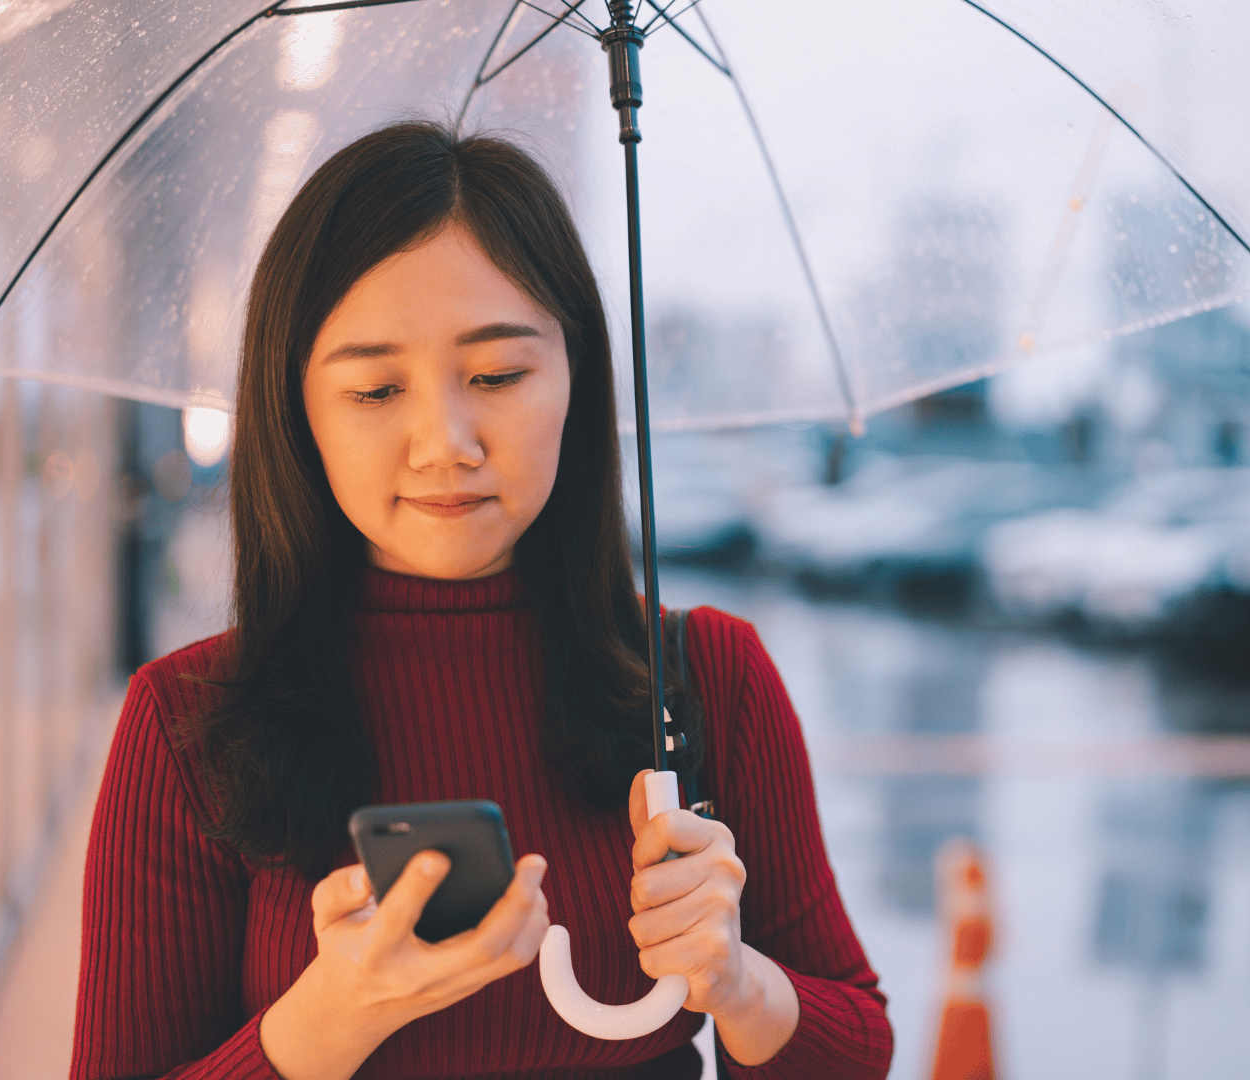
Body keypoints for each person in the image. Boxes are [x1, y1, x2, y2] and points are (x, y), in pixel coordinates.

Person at [71, 121, 892, 1080]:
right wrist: (325, 1022)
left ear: (576, 382)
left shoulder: (704, 676)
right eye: (376, 390)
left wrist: (740, 981)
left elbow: (859, 1045)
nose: (445, 440)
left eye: (498, 375)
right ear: (298, 412)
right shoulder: (190, 722)